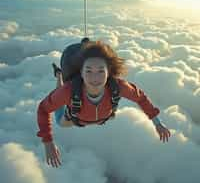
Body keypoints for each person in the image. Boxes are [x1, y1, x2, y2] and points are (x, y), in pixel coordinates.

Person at [37, 40, 171, 168]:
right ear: (81, 73)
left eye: (101, 71)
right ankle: (59, 75)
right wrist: (48, 142)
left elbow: (140, 98)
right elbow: (43, 109)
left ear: (109, 73)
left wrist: (157, 123)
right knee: (60, 114)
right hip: (73, 119)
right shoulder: (68, 91)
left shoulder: (118, 87)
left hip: (105, 116)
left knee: (108, 114)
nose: (95, 78)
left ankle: (61, 77)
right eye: (88, 71)